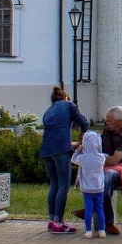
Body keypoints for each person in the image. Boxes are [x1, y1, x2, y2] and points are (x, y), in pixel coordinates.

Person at [72, 105, 122, 235]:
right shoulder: (106, 132)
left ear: (120, 121)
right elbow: (94, 148)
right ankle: (97, 211)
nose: (106, 122)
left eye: (110, 120)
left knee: (106, 177)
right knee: (97, 176)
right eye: (106, 119)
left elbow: (115, 159)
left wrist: (93, 161)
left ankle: (106, 220)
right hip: (101, 167)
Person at [40, 85, 89, 234]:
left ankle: (52, 220)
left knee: (54, 185)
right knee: (63, 186)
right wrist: (84, 136)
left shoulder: (48, 111)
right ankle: (59, 222)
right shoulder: (69, 105)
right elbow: (83, 122)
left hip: (46, 150)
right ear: (66, 97)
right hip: (61, 150)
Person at [71, 130, 107, 238]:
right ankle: (102, 231)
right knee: (100, 208)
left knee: (89, 209)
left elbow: (73, 159)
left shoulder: (82, 158)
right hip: (99, 187)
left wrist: (78, 150)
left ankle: (88, 231)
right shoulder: (101, 157)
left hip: (87, 188)